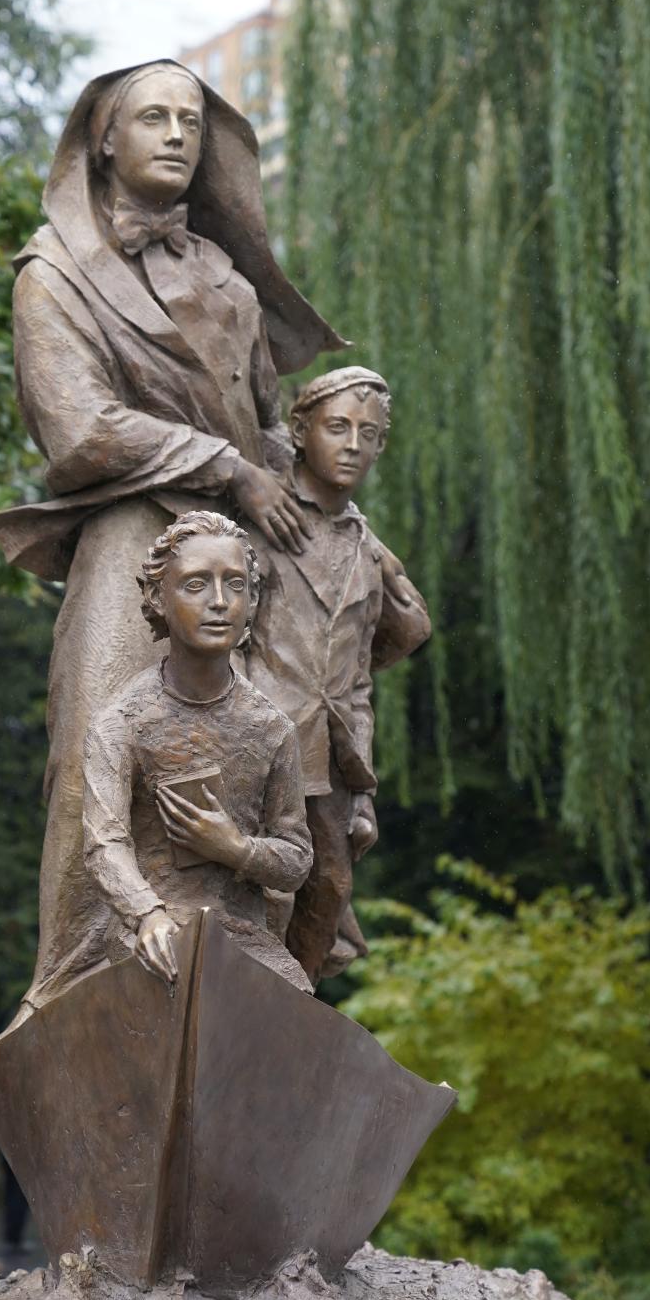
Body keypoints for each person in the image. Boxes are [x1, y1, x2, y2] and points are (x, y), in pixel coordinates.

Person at [0, 61, 345, 1010]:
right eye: (153, 118)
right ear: (104, 139)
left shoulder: (226, 279)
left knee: (280, 755)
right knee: (94, 750)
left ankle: (253, 983)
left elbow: (264, 421)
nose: (178, 134)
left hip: (247, 556)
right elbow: (80, 427)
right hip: (132, 536)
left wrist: (308, 506)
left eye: (191, 119)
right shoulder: (53, 274)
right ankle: (69, 993)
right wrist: (223, 466)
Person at [246, 368, 432, 986]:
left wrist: (364, 789)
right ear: (300, 432)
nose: (353, 443)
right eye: (338, 427)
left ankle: (285, 1016)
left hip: (330, 758)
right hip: (260, 742)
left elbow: (357, 681)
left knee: (329, 888)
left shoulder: (366, 548)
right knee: (261, 894)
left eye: (369, 434)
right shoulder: (261, 520)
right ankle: (240, 1017)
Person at [81, 511, 313, 993]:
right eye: (196, 585)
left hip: (243, 938)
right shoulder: (121, 724)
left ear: (252, 602)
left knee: (289, 1019)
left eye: (235, 585)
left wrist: (237, 849)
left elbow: (295, 860)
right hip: (149, 934)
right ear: (156, 598)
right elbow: (105, 843)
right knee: (180, 991)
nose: (220, 602)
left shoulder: (272, 729)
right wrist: (147, 913)